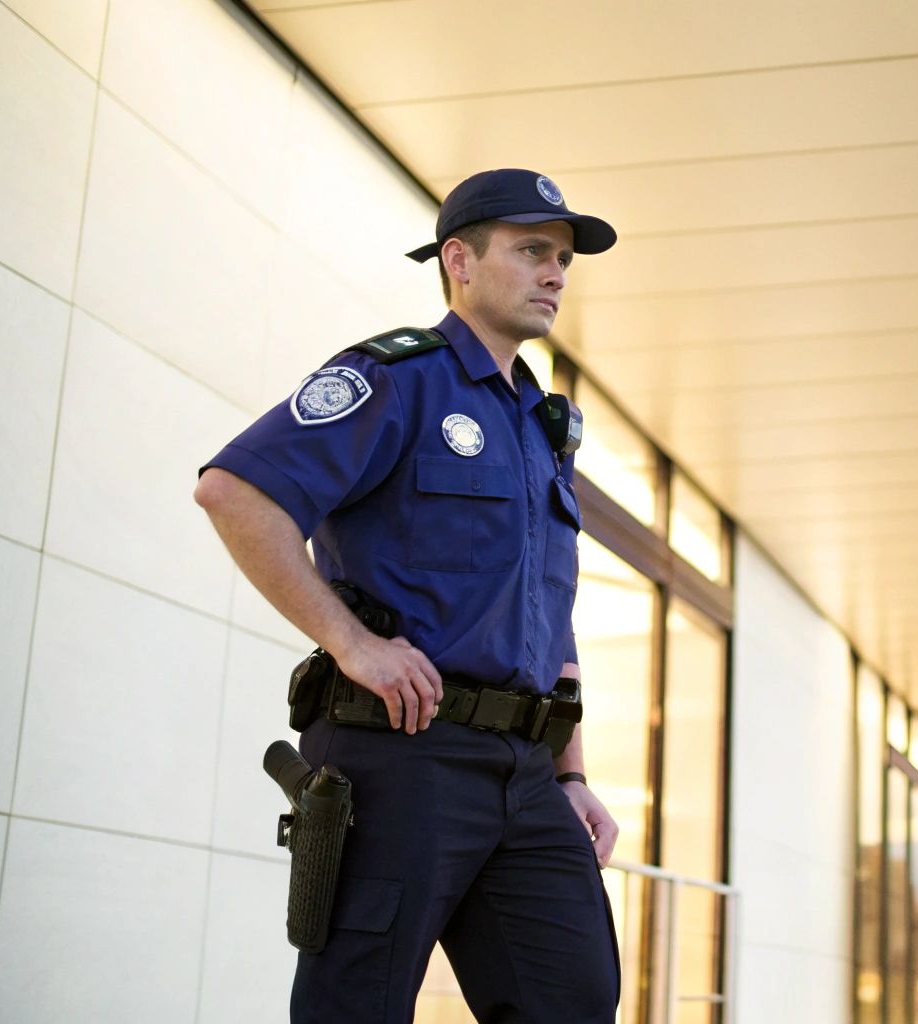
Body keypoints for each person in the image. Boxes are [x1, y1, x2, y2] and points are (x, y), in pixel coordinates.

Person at [194, 168, 622, 1022]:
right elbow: (234, 492)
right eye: (534, 250)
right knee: (359, 1002)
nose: (555, 275)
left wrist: (572, 774)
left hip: (528, 772)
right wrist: (353, 644)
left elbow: (549, 609)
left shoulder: (543, 424)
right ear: (458, 260)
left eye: (565, 260)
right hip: (402, 753)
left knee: (571, 996)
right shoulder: (396, 378)